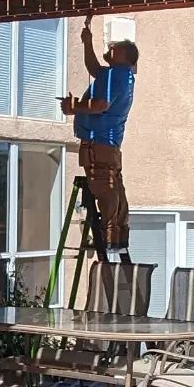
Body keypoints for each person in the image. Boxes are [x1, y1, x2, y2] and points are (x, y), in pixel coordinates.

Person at [61, 14, 139, 261]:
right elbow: (94, 68)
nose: (110, 48)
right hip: (106, 144)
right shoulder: (116, 75)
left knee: (105, 188)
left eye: (114, 48)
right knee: (113, 185)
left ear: (124, 55)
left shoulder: (118, 76)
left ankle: (109, 237)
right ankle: (117, 235)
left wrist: (74, 106)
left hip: (99, 143)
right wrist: (87, 41)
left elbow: (101, 104)